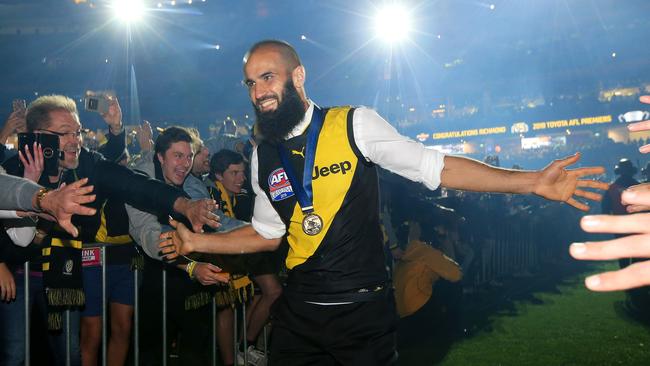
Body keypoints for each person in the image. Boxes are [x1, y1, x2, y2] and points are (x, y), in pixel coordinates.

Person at [160, 39, 607, 365]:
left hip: (363, 316)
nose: (258, 91)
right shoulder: (262, 156)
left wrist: (531, 182)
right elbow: (265, 234)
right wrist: (196, 244)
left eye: (268, 76)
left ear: (298, 77)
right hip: (298, 316)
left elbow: (437, 167)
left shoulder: (354, 124)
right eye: (251, 82)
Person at [0, 95, 218, 366]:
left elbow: (135, 184)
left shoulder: (88, 166)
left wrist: (184, 205)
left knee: (70, 354)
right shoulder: (11, 169)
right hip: (17, 273)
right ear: (38, 135)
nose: (75, 140)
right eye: (65, 133)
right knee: (15, 354)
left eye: (77, 132)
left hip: (63, 276)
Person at [208, 149, 283, 365]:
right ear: (219, 176)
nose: (241, 178)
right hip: (216, 260)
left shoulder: (240, 196)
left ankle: (243, 347)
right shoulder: (210, 194)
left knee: (267, 292)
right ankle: (233, 357)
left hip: (240, 257)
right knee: (226, 308)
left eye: (242, 172)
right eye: (234, 173)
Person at [570, 95, 650, 292]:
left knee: (625, 254)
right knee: (638, 254)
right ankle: (637, 283)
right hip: (637, 224)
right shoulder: (638, 185)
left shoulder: (613, 187)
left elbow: (606, 207)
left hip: (621, 224)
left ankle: (630, 284)